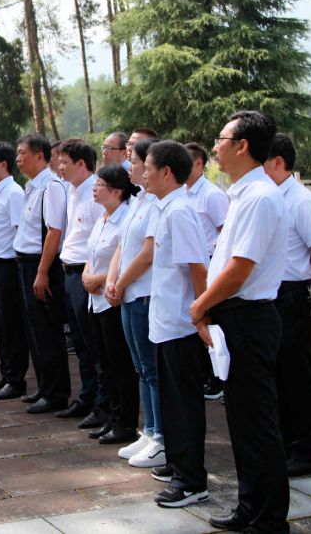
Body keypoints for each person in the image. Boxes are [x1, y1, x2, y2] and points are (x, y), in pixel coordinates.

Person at [189, 110, 290, 531]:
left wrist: (200, 305)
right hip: (236, 316)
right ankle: (251, 508)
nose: (215, 147)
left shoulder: (260, 197)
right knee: (243, 422)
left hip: (249, 317)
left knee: (258, 423)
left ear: (243, 145)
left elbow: (239, 269)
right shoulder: (243, 195)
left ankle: (268, 518)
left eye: (221, 139)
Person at [142, 141, 210, 508]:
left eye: (148, 168)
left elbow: (197, 267)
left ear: (166, 172)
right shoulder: (165, 208)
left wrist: (201, 315)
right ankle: (179, 464)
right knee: (173, 403)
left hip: (182, 324)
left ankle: (191, 480)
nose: (144, 174)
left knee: (184, 405)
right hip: (166, 322)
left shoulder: (180, 212)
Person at [263, 134, 311, 478]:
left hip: (295, 296)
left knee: (298, 374)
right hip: (273, 295)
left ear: (278, 162)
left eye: (262, 161)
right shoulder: (269, 198)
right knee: (278, 373)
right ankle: (287, 442)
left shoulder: (300, 201)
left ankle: (306, 450)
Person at [106, 138, 163, 462]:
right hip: (128, 293)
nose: (130, 166)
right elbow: (122, 245)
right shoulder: (137, 200)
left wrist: (121, 282)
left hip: (143, 293)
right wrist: (112, 280)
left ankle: (160, 437)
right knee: (141, 368)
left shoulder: (156, 203)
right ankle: (149, 431)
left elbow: (147, 254)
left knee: (152, 370)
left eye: (136, 162)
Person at [14, 134, 71, 414]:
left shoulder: (51, 187)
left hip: (40, 264)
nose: (18, 158)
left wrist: (42, 271)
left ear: (40, 156)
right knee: (34, 331)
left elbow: (54, 232)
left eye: (23, 153)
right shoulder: (32, 186)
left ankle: (56, 392)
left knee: (47, 331)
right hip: (25, 262)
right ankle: (44, 387)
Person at [83, 165, 139, 445]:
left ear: (117, 191)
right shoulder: (102, 218)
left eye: (100, 184)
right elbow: (92, 252)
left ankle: (125, 423)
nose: (94, 189)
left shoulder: (126, 218)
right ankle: (111, 417)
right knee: (104, 363)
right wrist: (87, 275)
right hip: (95, 299)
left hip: (112, 299)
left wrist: (100, 278)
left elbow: (127, 259)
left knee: (120, 366)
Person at [55, 139, 106, 422]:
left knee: (92, 342)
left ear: (82, 164)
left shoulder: (96, 192)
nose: (59, 167)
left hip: (86, 274)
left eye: (65, 162)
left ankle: (102, 403)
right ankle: (87, 397)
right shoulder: (73, 191)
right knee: (81, 343)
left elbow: (103, 240)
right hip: (70, 271)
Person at [0, 142, 30, 400]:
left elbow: (19, 231)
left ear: (3, 164)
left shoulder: (13, 193)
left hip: (7, 266)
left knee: (11, 324)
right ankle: (6, 373)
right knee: (0, 323)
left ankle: (16, 379)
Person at [184, 141, 230, 401]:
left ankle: (217, 377)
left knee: (211, 319)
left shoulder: (211, 194)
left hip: (210, 263)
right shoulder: (183, 193)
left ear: (199, 164)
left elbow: (225, 232)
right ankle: (205, 373)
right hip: (192, 263)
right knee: (196, 318)